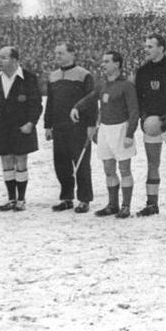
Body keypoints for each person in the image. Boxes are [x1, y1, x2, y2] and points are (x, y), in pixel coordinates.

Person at [0, 46, 42, 211]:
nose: (0, 61)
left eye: (4, 57)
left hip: (22, 126)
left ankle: (21, 199)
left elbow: (36, 104)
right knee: (6, 161)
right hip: (2, 127)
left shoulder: (29, 77)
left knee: (20, 160)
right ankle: (11, 198)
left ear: (15, 60)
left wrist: (31, 123)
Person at [71, 51, 138, 219]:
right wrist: (76, 107)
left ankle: (126, 206)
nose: (103, 64)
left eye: (107, 61)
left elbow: (134, 111)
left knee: (124, 169)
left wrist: (130, 134)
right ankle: (112, 204)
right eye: (103, 61)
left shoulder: (126, 86)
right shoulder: (102, 85)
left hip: (121, 129)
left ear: (117, 64)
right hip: (105, 130)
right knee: (108, 169)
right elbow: (91, 98)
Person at [135, 33, 166, 219]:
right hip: (152, 124)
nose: (146, 49)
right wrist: (144, 117)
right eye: (146, 46)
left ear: (161, 48)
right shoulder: (142, 72)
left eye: (150, 46)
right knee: (152, 162)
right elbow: (139, 98)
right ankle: (152, 203)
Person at [44, 41, 97, 213]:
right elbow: (50, 103)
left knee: (81, 164)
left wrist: (91, 125)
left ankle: (84, 199)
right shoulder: (53, 76)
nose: (57, 56)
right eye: (56, 53)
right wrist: (47, 125)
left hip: (78, 127)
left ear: (72, 54)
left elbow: (91, 101)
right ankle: (66, 198)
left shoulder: (84, 75)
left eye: (61, 53)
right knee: (61, 164)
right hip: (59, 127)